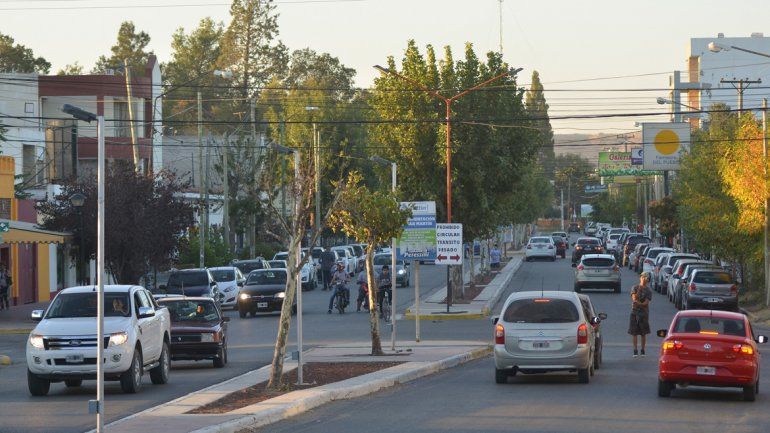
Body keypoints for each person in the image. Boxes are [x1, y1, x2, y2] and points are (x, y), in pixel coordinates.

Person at [628, 271, 653, 357]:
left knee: (643, 333)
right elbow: (634, 298)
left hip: (644, 313)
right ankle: (635, 350)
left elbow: (646, 302)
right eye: (642, 277)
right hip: (634, 312)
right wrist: (639, 288)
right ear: (640, 278)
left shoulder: (648, 290)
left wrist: (639, 303)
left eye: (645, 278)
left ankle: (643, 350)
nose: (644, 279)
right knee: (634, 332)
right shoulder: (635, 287)